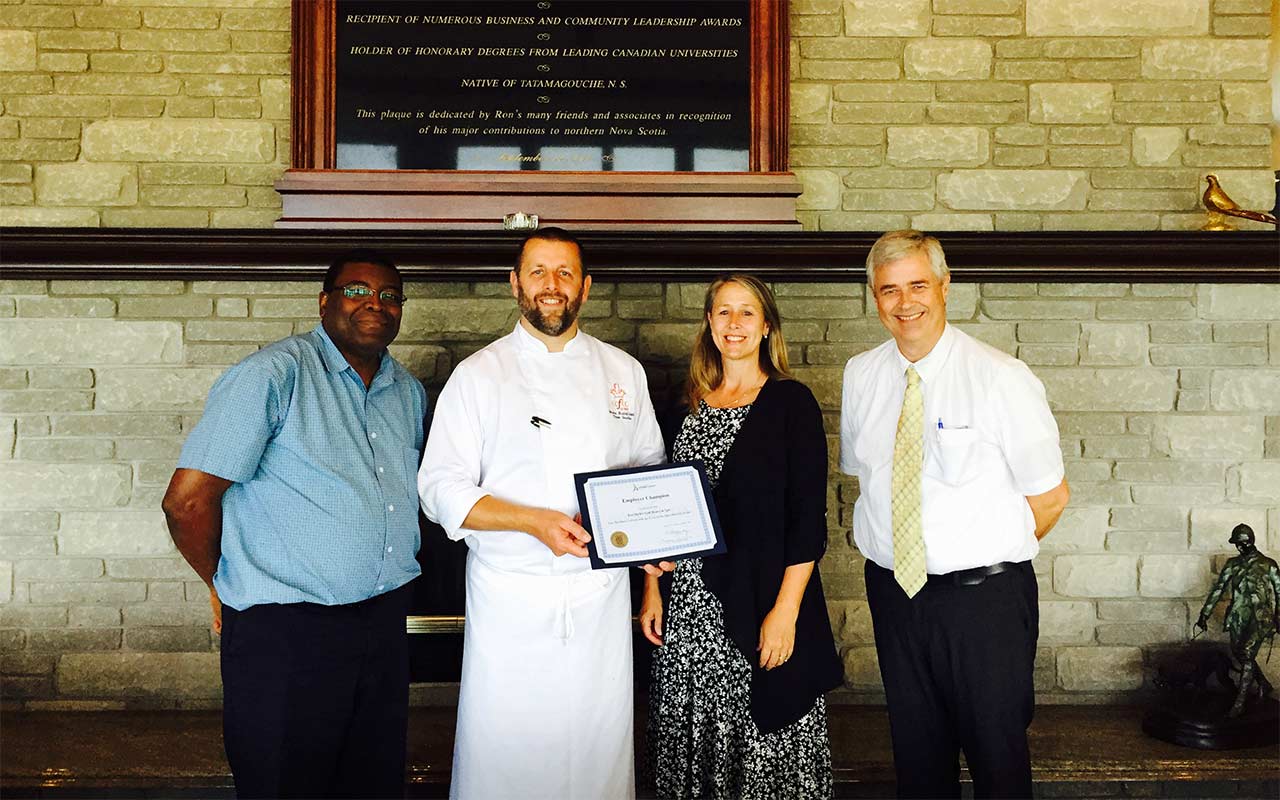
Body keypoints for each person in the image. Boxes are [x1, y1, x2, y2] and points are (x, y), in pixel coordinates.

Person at [161, 250, 427, 799]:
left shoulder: (407, 391)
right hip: (286, 631)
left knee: (372, 783)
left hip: (381, 625)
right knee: (284, 785)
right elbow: (186, 502)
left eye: (390, 295)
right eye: (357, 291)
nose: (375, 304)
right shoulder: (272, 376)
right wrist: (221, 581)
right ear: (324, 302)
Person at [417, 227, 666, 800]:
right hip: (511, 598)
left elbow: (649, 474)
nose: (551, 287)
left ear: (586, 286)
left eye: (565, 274)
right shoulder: (479, 375)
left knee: (597, 748)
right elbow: (439, 488)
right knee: (507, 749)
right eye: (538, 273)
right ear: (515, 283)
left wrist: (652, 566)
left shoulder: (622, 372)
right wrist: (532, 522)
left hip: (601, 598)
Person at [839, 230, 1070, 799]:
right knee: (917, 761)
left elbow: (1051, 497)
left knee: (998, 761)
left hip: (983, 603)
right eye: (889, 289)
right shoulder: (861, 375)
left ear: (945, 286)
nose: (904, 302)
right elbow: (865, 477)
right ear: (874, 297)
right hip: (895, 594)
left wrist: (979, 551)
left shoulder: (1001, 378)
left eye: (918, 284)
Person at [640, 275, 843, 799]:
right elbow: (661, 516)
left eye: (747, 313)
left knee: (762, 740)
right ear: (709, 323)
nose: (734, 324)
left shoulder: (789, 403)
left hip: (760, 604)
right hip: (689, 613)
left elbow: (808, 521)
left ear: (767, 325)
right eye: (724, 312)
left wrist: (786, 612)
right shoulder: (689, 407)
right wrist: (651, 589)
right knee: (696, 742)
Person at [1195, 523, 1280, 717]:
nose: (1239, 548)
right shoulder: (1233, 564)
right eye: (1237, 544)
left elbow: (1279, 592)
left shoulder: (1269, 565)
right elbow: (1218, 589)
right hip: (1237, 617)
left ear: (1250, 542)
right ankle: (1264, 685)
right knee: (1240, 653)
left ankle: (1239, 704)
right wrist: (1204, 613)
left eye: (1242, 544)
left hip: (1260, 618)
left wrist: (1279, 617)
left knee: (1247, 654)